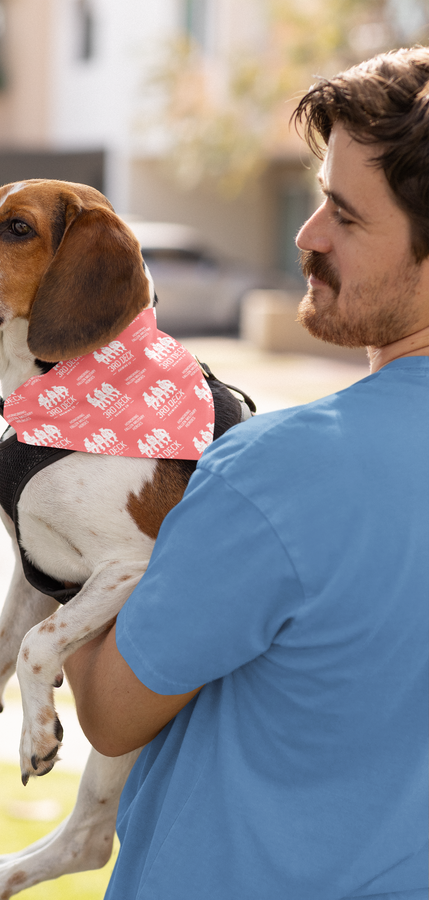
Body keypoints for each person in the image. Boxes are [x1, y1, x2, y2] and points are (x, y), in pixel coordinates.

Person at [65, 47, 429, 900]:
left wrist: (57, 505)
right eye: (317, 199)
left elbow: (112, 713)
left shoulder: (284, 473)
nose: (308, 236)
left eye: (345, 214)